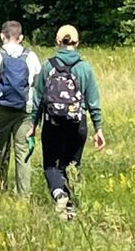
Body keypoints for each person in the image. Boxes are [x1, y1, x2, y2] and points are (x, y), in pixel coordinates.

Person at [30, 25, 105, 220]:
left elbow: (38, 99)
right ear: (77, 42)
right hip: (77, 123)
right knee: (72, 165)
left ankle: (58, 193)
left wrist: (33, 124)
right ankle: (69, 211)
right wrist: (98, 128)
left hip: (52, 123)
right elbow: (93, 101)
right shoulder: (84, 67)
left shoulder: (48, 66)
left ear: (57, 41)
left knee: (51, 166)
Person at [0, 21, 42, 195]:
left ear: (2, 36)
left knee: (1, 150)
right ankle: (24, 197)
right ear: (21, 38)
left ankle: (0, 190)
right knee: (23, 154)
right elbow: (38, 85)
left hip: (1, 110)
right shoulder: (31, 56)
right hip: (25, 111)